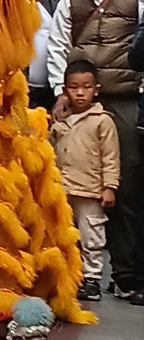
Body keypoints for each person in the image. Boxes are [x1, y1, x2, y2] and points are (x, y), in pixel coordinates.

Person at [47, 0, 143, 304]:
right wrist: (61, 91)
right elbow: (58, 45)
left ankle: (126, 275)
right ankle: (73, 272)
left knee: (126, 188)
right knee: (69, 187)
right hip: (78, 104)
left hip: (124, 101)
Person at [49, 60, 119, 303]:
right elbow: (49, 151)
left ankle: (92, 278)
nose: (80, 93)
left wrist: (109, 187)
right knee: (62, 235)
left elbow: (111, 157)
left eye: (86, 87)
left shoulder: (103, 121)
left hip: (90, 190)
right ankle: (66, 277)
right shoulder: (60, 120)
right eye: (74, 87)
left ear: (96, 89)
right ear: (65, 90)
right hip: (62, 189)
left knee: (92, 237)